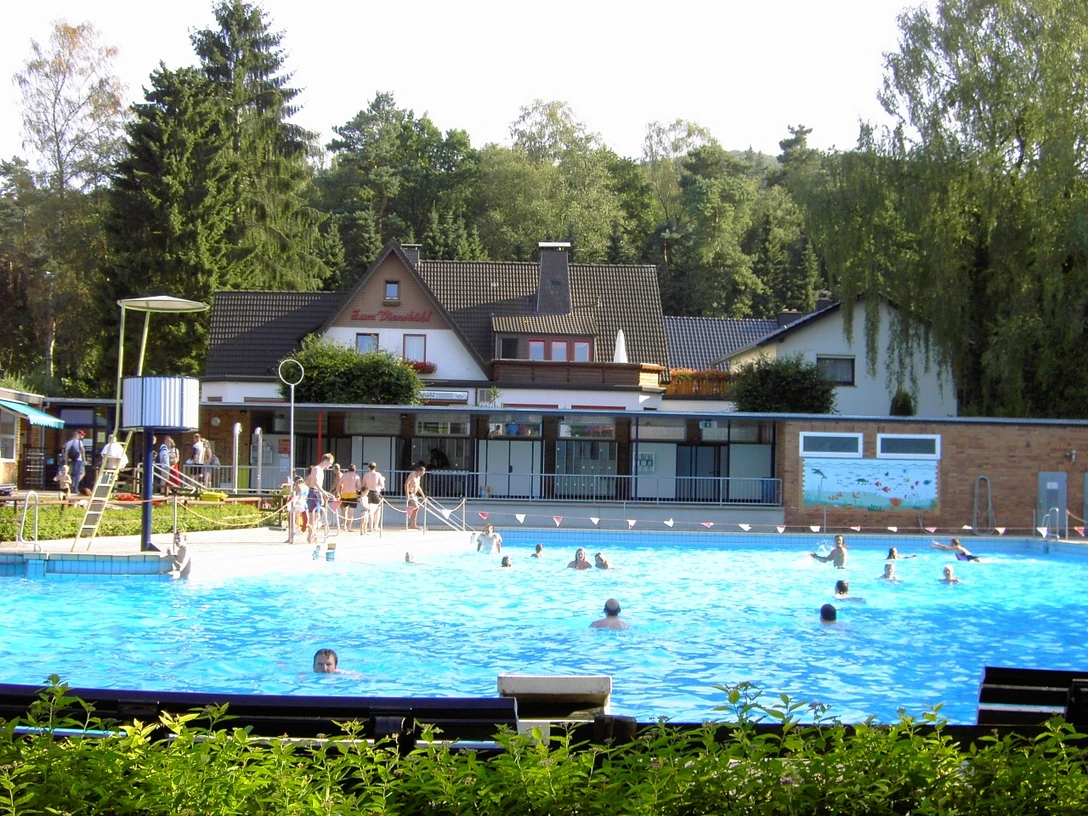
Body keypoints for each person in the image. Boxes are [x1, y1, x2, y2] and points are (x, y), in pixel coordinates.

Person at [304, 453, 336, 544]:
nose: (330, 466)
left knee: (316, 515)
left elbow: (318, 484)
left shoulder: (321, 470)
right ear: (325, 461)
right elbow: (314, 483)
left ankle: (311, 534)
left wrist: (323, 493)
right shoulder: (316, 469)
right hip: (314, 492)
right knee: (313, 515)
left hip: (317, 493)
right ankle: (310, 535)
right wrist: (323, 493)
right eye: (330, 463)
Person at [361, 462, 386, 533]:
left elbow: (363, 484)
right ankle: (375, 526)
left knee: (370, 510)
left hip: (368, 492)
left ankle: (370, 527)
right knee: (377, 509)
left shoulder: (366, 475)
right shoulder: (378, 474)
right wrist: (383, 480)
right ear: (375, 468)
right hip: (376, 492)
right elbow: (381, 485)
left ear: (369, 468)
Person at [338, 464, 363, 531]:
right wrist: (356, 488)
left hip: (345, 493)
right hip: (353, 494)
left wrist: (339, 492)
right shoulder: (356, 476)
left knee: (344, 511)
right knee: (351, 512)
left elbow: (339, 484)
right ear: (355, 470)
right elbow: (359, 487)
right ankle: (349, 527)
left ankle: (344, 526)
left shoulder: (344, 475)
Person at [63, 430, 86, 495]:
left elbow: (66, 453)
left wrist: (66, 462)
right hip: (79, 460)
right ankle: (75, 488)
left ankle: (69, 488)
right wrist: (84, 460)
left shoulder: (68, 443)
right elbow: (82, 452)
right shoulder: (79, 442)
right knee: (78, 474)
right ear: (77, 435)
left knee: (70, 474)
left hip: (71, 460)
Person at [405, 463, 426, 530]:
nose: (424, 473)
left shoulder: (418, 477)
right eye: (423, 472)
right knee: (416, 508)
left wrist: (422, 495)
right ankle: (413, 524)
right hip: (410, 493)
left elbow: (418, 486)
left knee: (416, 508)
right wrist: (407, 494)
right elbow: (406, 484)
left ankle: (412, 523)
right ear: (419, 471)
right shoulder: (412, 474)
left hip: (414, 494)